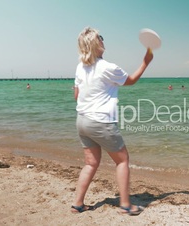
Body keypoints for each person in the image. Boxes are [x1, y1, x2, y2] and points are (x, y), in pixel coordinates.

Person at [71, 27, 153, 215]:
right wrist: (145, 62)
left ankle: (78, 204)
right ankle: (126, 205)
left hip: (82, 121)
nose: (102, 39)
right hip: (100, 122)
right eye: (100, 37)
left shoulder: (80, 67)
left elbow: (76, 95)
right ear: (95, 43)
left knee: (91, 163)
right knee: (122, 160)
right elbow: (130, 80)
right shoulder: (107, 67)